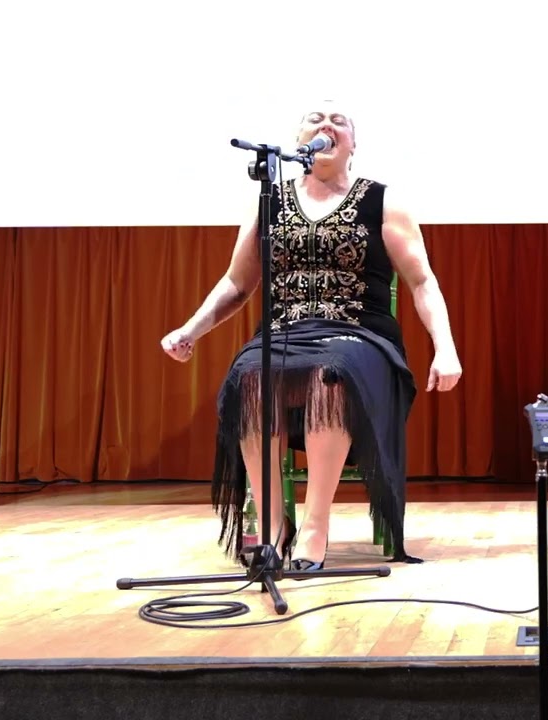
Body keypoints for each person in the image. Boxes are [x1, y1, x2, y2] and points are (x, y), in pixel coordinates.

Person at [161, 102, 462, 569]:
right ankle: (274, 528)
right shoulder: (270, 202)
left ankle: (316, 527)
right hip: (286, 334)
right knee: (250, 374)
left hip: (360, 337)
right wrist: (190, 330)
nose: (326, 125)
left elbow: (422, 282)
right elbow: (237, 284)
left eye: (338, 121)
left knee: (330, 372)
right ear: (299, 141)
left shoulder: (382, 202)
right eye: (315, 120)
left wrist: (446, 348)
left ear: (352, 145)